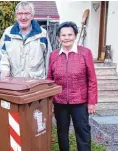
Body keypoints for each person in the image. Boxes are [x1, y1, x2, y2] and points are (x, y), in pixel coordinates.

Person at [47, 21, 97, 151]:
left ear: (75, 36)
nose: (67, 37)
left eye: (70, 34)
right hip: (59, 102)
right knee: (62, 132)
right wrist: (50, 102)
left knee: (83, 131)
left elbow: (92, 79)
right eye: (63, 35)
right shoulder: (53, 55)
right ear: (59, 38)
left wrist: (92, 102)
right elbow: (49, 80)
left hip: (80, 102)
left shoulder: (85, 53)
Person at [0, 1, 51, 79]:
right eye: (20, 14)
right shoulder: (8, 33)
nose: (23, 17)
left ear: (32, 16)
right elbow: (3, 55)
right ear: (16, 16)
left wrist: (47, 82)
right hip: (14, 83)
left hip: (36, 83)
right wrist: (4, 72)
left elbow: (48, 59)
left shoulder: (42, 34)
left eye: (27, 13)